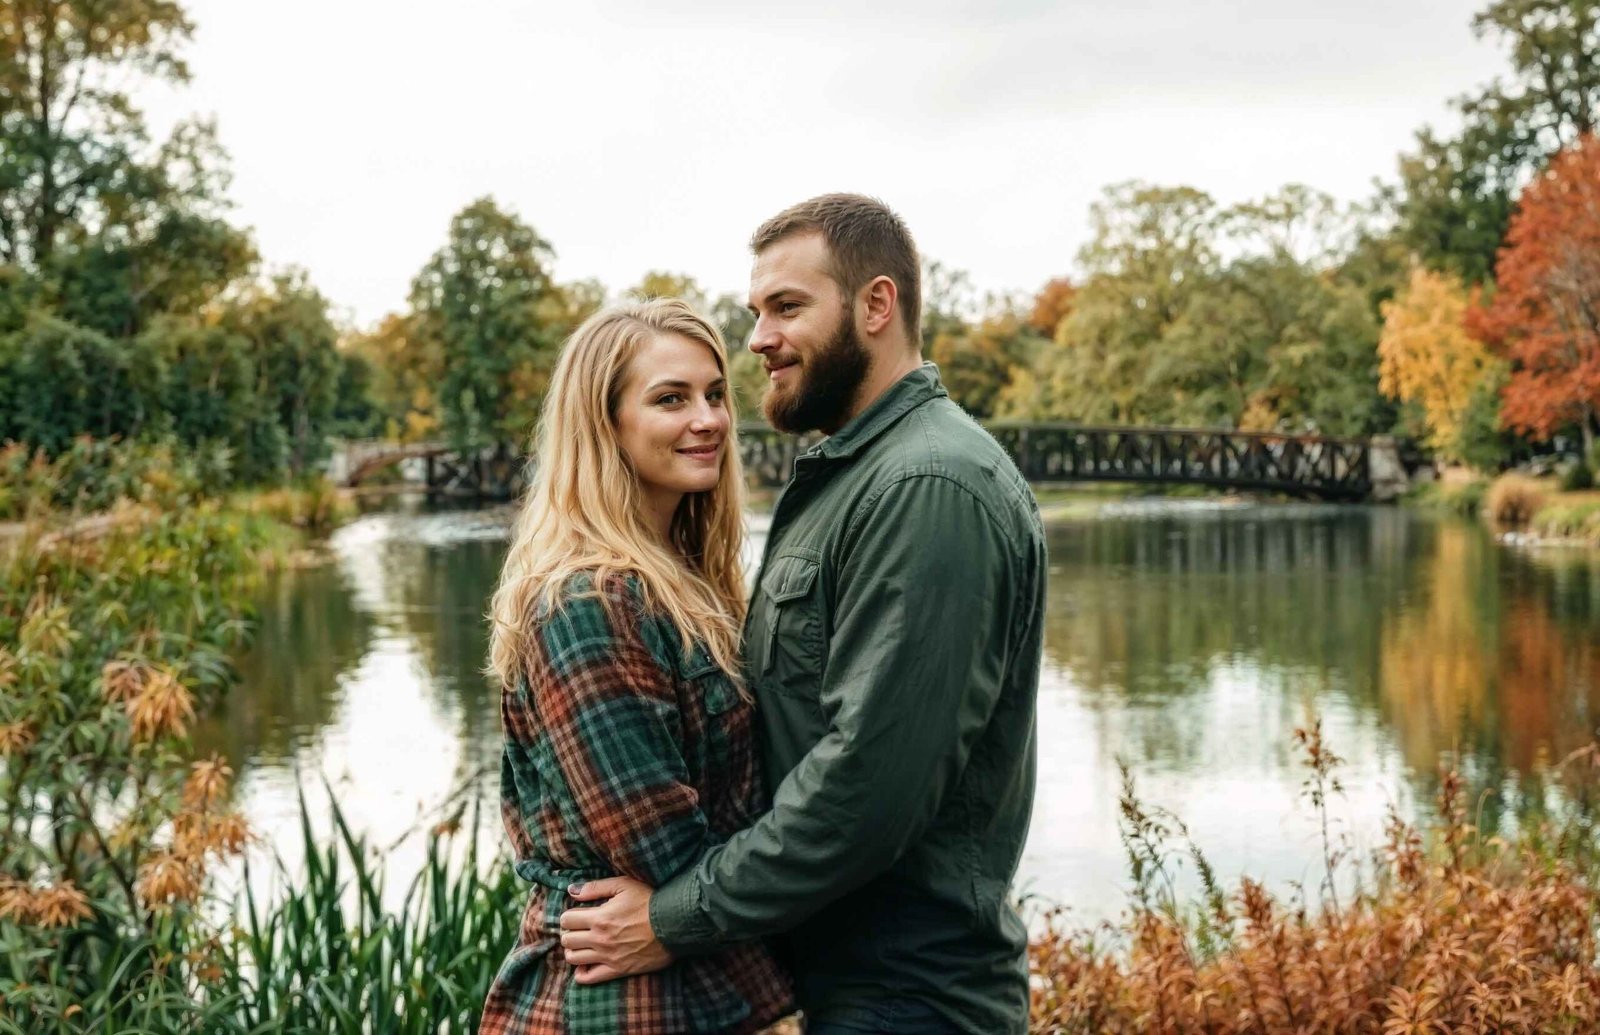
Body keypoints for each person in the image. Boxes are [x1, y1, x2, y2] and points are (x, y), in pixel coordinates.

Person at [560, 194, 1047, 1035]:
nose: (758, 337)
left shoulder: (926, 487)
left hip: (912, 996)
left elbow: (868, 788)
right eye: (756, 311)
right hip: (857, 988)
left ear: (875, 306)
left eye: (787, 307)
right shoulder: (852, 477)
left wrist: (674, 916)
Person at [479, 298, 794, 1035]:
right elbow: (664, 850)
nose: (710, 419)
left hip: (694, 988)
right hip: (615, 1005)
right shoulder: (588, 603)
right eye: (670, 399)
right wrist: (822, 833)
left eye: (715, 394)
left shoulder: (683, 582)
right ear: (605, 426)